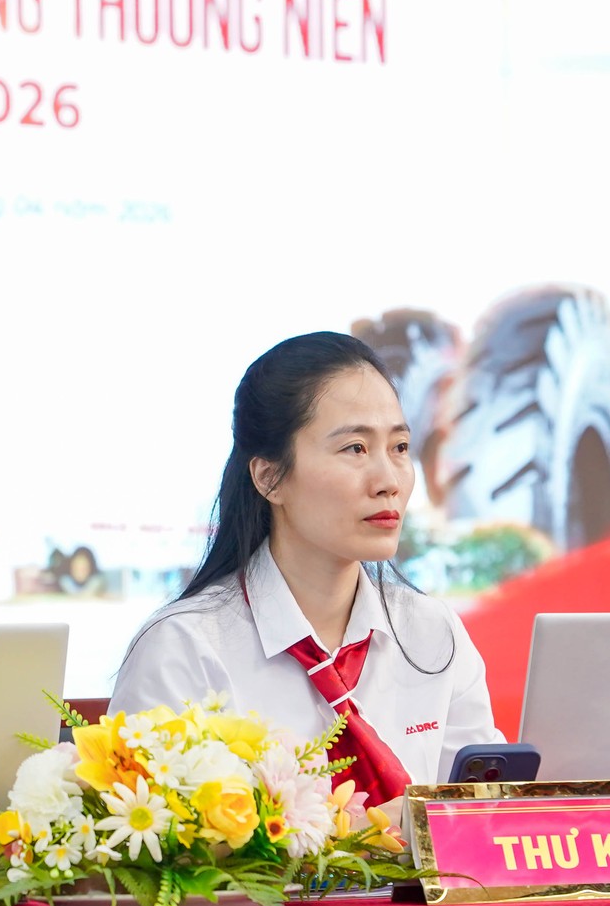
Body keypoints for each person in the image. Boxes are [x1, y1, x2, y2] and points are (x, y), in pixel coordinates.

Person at [110, 330, 501, 806]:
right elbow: (158, 839)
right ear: (269, 477)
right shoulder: (184, 648)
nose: (388, 481)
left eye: (399, 447)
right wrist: (362, 831)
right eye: (355, 448)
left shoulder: (433, 633)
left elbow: (486, 814)